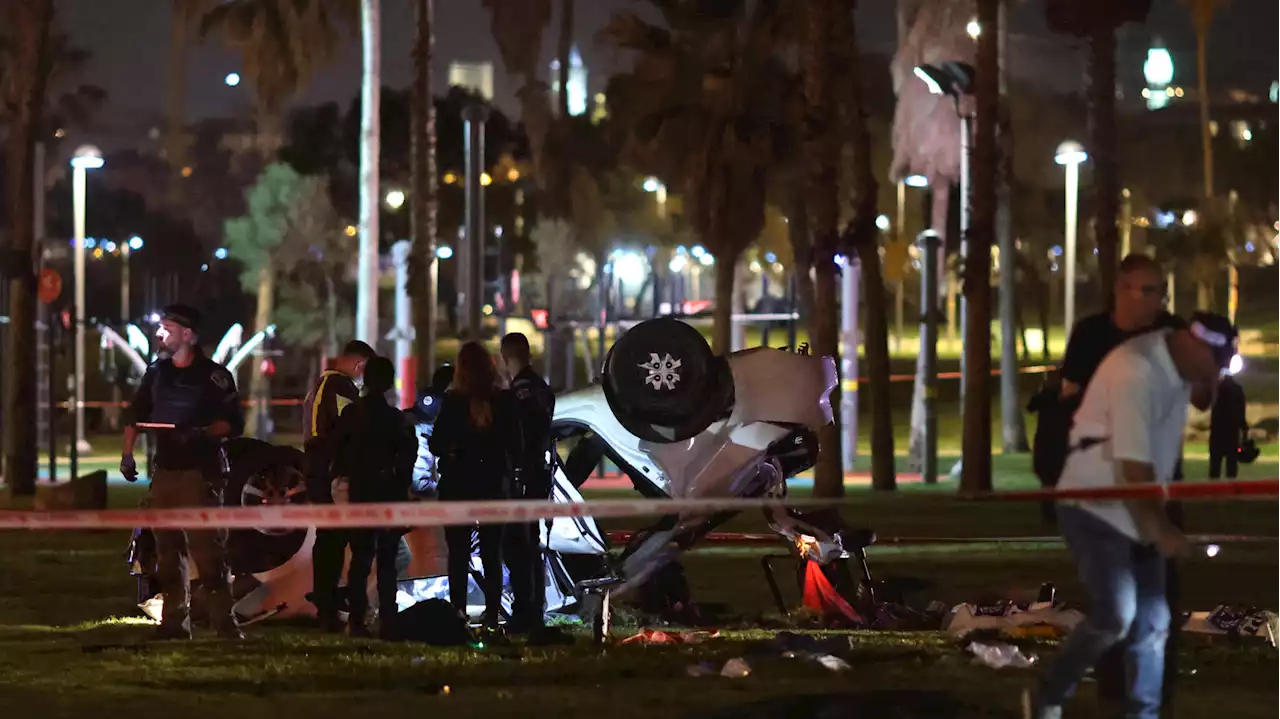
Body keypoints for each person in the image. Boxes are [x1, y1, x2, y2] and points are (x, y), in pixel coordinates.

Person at [1025, 312, 1236, 719]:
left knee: (1154, 622)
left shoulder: (1181, 361)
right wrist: (1161, 529)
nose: (1216, 371)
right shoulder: (1135, 369)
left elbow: (1203, 399)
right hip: (1094, 503)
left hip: (1136, 504)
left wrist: (1213, 378)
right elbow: (1131, 467)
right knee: (1115, 616)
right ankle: (1048, 695)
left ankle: (1144, 714)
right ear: (1194, 346)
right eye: (1215, 362)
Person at [120, 304, 245, 640]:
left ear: (187, 335)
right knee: (167, 554)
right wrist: (127, 455)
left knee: (208, 555)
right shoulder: (156, 374)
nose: (160, 335)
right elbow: (135, 414)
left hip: (199, 475)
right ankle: (175, 623)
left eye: (167, 329)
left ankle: (225, 624)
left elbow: (233, 424)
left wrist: (202, 432)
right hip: (165, 474)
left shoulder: (214, 377)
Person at [429, 342, 523, 629]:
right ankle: (493, 612)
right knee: (492, 552)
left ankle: (457, 610)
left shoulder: (454, 402)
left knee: (457, 553)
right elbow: (516, 445)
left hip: (459, 485)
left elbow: (437, 444)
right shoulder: (504, 401)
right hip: (494, 485)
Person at [331, 356, 419, 639]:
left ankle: (357, 619)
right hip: (388, 495)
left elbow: (339, 454)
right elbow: (408, 457)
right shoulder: (396, 419)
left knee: (360, 560)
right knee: (387, 560)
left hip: (360, 493)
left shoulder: (351, 415)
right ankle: (388, 619)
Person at [302, 339, 376, 631]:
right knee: (332, 540)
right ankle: (327, 604)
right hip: (327, 472)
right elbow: (336, 432)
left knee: (330, 538)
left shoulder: (323, 386)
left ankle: (327, 601)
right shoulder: (339, 387)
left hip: (320, 470)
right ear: (359, 363)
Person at [498, 332, 556, 633]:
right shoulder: (542, 389)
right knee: (530, 544)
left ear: (504, 357)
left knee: (516, 546)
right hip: (538, 476)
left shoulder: (518, 393)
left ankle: (525, 611)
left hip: (521, 477)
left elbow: (518, 438)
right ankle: (533, 609)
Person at [1209, 373, 1248, 480]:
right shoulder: (1237, 389)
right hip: (1232, 431)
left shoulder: (1216, 389)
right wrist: (1244, 434)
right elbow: (1241, 413)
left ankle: (1213, 490)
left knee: (1215, 465)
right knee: (1231, 466)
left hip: (1218, 431)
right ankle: (1231, 490)